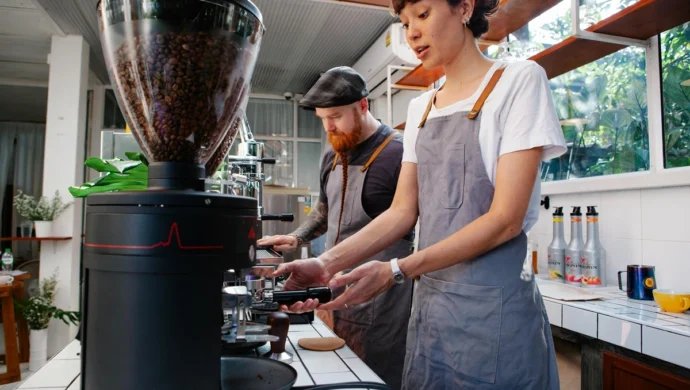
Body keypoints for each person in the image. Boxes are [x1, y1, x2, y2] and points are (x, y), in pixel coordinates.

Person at [267, 0, 569, 389]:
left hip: (494, 315)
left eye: (423, 15)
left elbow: (504, 219)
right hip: (432, 314)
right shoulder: (422, 106)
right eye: (405, 21)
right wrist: (325, 264)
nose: (410, 33)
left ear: (464, 7)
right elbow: (401, 211)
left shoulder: (518, 81)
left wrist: (396, 269)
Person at [256, 66, 414, 390]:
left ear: (363, 106)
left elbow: (409, 220)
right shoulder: (332, 152)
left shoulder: (399, 153)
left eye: (336, 117)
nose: (328, 126)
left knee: (376, 381)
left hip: (382, 302)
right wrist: (297, 236)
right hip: (332, 290)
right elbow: (326, 210)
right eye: (322, 118)